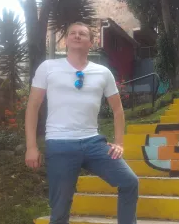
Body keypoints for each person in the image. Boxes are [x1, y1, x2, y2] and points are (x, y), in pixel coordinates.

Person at [24, 22, 139, 224]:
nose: (77, 36)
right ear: (66, 40)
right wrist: (31, 147)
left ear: (91, 42)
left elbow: (118, 109)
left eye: (83, 34)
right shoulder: (49, 68)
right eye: (72, 33)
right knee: (60, 207)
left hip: (93, 142)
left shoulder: (103, 73)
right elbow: (33, 107)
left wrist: (119, 143)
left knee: (129, 182)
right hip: (60, 144)